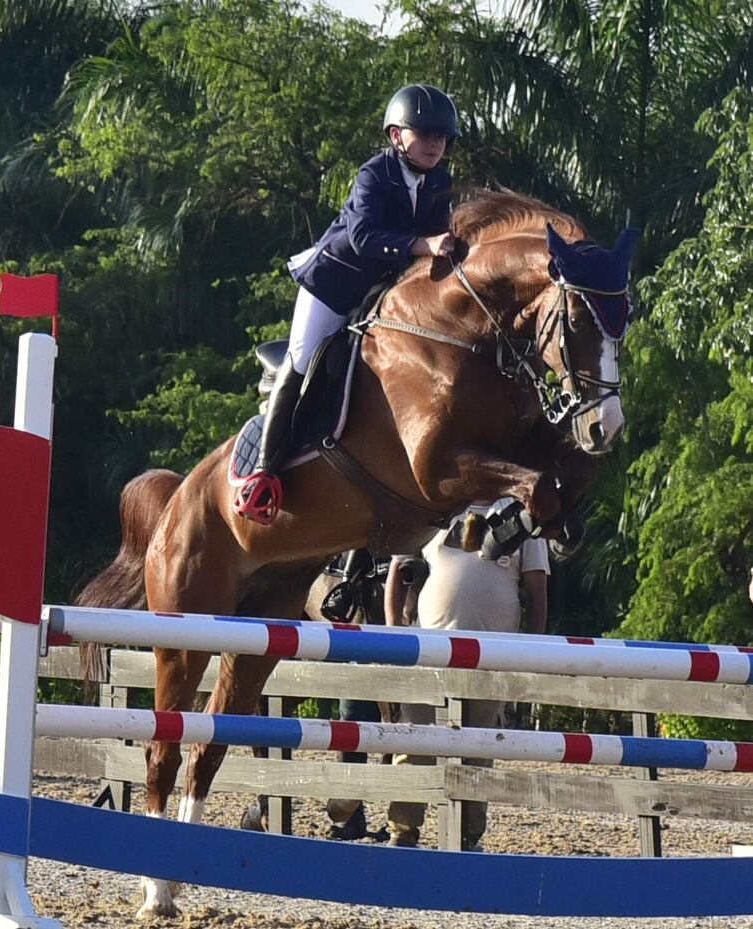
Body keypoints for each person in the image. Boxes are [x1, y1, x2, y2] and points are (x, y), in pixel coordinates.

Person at [235, 83, 460, 524]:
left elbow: (441, 238)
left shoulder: (440, 182)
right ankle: (263, 474)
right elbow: (363, 238)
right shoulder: (374, 174)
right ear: (397, 136)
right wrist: (423, 243)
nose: (435, 144)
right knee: (301, 361)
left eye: (442, 136)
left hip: (383, 291)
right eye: (425, 134)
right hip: (334, 285)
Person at [384, 504, 550, 849]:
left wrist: (531, 651)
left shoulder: (525, 513)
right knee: (414, 743)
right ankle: (403, 830)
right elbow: (397, 571)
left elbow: (537, 590)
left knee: (477, 751)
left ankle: (468, 834)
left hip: (492, 657)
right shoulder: (432, 505)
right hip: (428, 652)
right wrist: (393, 634)